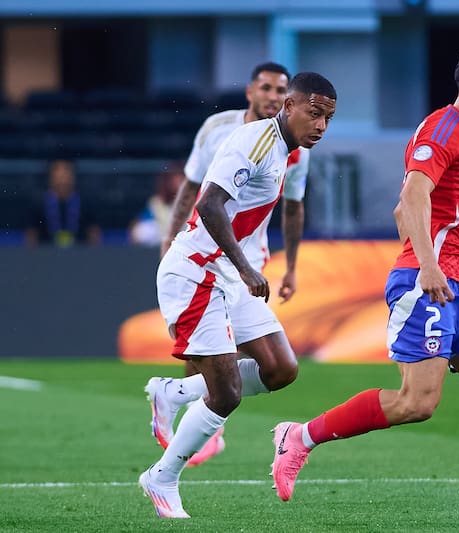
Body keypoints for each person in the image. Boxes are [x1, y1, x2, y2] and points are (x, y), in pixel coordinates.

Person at [269, 44, 459, 528]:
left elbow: (404, 209)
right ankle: (299, 437)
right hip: (428, 283)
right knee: (417, 403)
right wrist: (427, 265)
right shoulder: (445, 128)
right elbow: (412, 195)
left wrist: (430, 248)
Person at [138, 72, 337, 519]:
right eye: (314, 113)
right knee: (225, 393)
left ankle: (174, 392)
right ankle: (162, 476)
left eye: (328, 118)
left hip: (227, 274)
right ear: (289, 106)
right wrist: (247, 268)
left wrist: (256, 268)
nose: (321, 126)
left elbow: (286, 208)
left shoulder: (287, 151)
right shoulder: (257, 143)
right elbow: (207, 204)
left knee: (282, 368)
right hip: (197, 273)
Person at [153, 62, 311, 466]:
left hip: (246, 263)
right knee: (217, 371)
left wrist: (289, 266)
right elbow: (195, 190)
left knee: (279, 368)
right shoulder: (222, 131)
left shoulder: (295, 149)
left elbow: (293, 207)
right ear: (250, 92)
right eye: (267, 88)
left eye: (280, 89)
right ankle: (197, 434)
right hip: (210, 259)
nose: (273, 95)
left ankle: (183, 398)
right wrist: (170, 239)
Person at [25, 159, 101, 247]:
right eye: (57, 172)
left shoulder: (87, 203)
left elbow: (95, 239)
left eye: (66, 171)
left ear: (73, 176)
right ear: (50, 176)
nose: (62, 177)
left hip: (80, 256)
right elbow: (30, 240)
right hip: (45, 256)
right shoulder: (38, 204)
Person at [129, 163, 185, 247]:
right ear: (168, 182)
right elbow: (137, 227)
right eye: (175, 179)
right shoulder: (157, 202)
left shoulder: (194, 201)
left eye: (181, 179)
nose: (179, 183)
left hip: (184, 240)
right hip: (161, 241)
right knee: (143, 230)